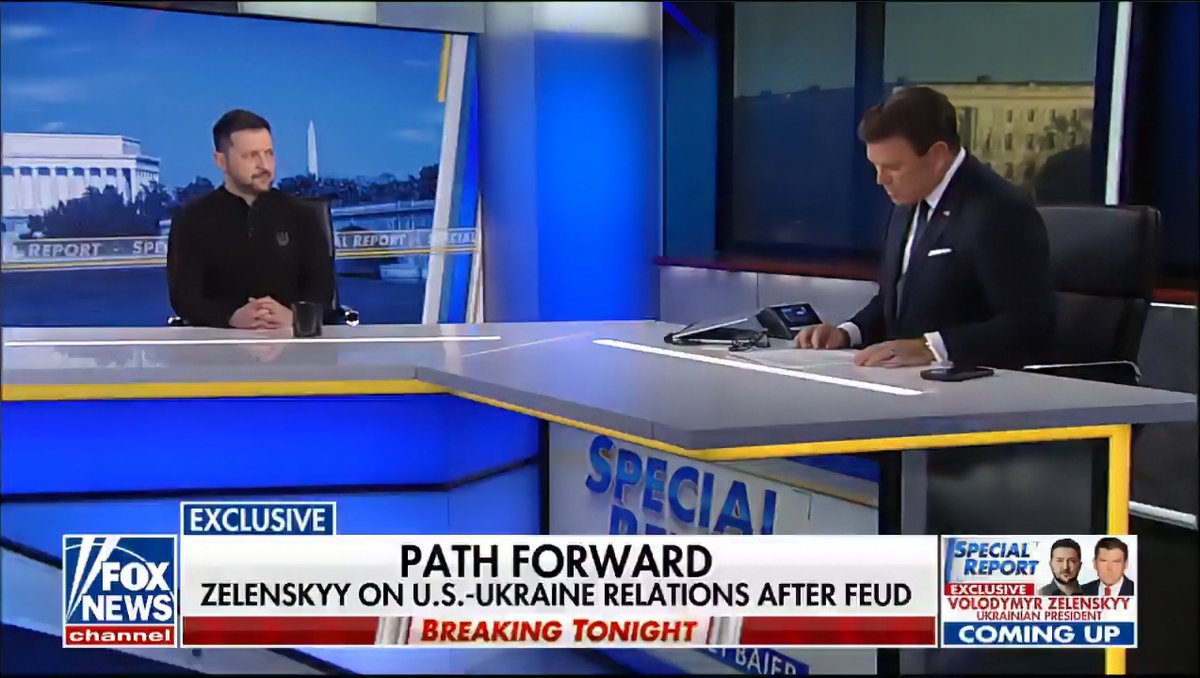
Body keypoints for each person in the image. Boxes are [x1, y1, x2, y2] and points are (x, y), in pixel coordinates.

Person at [794, 87, 1055, 369]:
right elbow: (896, 302)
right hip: (903, 380)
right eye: (875, 166)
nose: (881, 179)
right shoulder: (907, 200)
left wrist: (932, 348)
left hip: (974, 385)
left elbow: (1029, 325)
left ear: (938, 155)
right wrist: (848, 332)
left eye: (893, 167)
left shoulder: (999, 209)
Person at [167, 109, 334, 329]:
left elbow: (322, 290)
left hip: (293, 339)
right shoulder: (191, 219)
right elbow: (185, 298)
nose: (264, 165)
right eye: (250, 156)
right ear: (221, 161)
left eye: (269, 153)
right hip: (220, 342)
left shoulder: (302, 215)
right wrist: (231, 317)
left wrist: (295, 317)